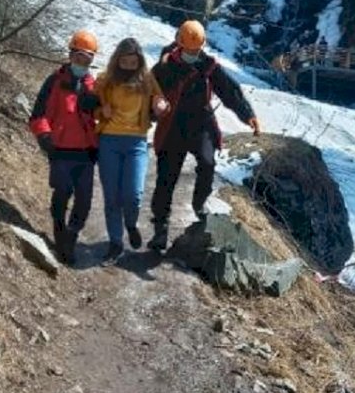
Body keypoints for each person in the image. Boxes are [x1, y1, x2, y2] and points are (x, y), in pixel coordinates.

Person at [148, 20, 260, 251]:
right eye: (189, 49)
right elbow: (149, 93)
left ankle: (199, 205)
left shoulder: (209, 68)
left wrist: (247, 114)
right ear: (179, 45)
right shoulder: (164, 66)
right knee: (166, 179)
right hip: (173, 127)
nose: (192, 53)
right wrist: (147, 115)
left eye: (196, 49)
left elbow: (230, 92)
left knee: (208, 164)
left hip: (201, 125)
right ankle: (160, 229)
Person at [28, 29, 100, 266]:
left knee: (85, 200)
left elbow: (103, 116)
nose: (83, 62)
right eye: (79, 56)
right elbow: (38, 114)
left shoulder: (95, 86)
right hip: (60, 149)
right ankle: (60, 233)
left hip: (86, 152)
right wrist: (45, 137)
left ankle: (70, 235)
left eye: (88, 58)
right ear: (70, 55)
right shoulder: (55, 81)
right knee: (62, 191)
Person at [94, 38, 169, 262]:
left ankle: (131, 223)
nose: (128, 65)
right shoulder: (105, 80)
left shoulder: (146, 79)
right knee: (112, 196)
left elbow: (160, 100)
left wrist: (161, 106)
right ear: (117, 60)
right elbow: (92, 108)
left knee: (133, 194)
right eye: (124, 61)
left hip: (136, 142)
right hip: (109, 140)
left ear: (139, 62)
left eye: (132, 62)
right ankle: (115, 243)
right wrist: (101, 112)